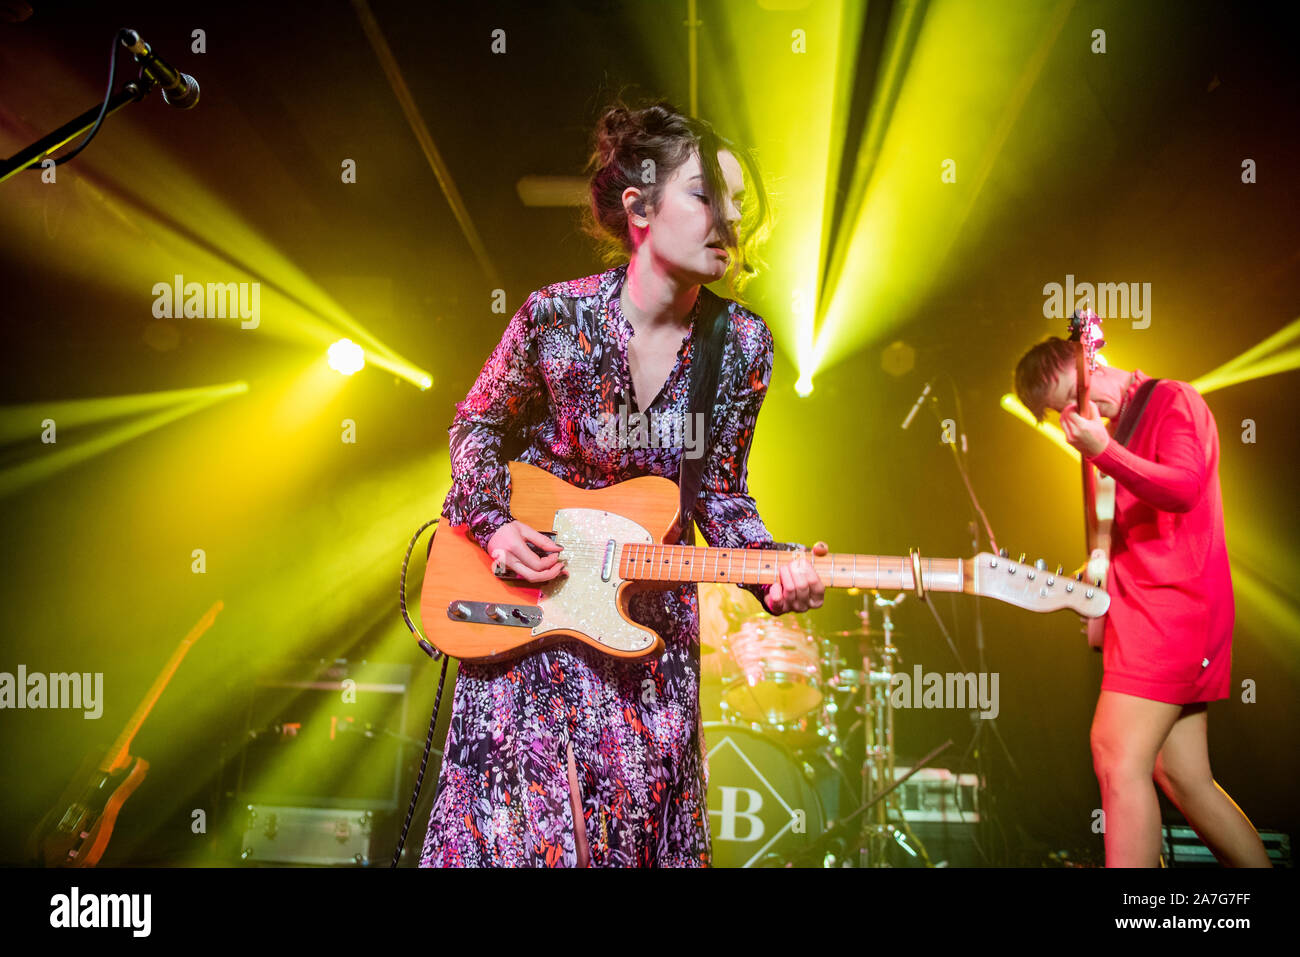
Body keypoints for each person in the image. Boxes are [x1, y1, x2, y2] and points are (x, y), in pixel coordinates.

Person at [420, 101, 826, 867]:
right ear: (638, 206)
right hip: (529, 624)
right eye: (708, 196)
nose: (731, 219)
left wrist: (774, 569)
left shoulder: (740, 344)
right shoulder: (555, 316)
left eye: (740, 203)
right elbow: (475, 426)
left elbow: (722, 495)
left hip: (647, 639)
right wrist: (493, 522)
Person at [1014, 339, 1270, 868]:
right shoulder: (1103, 435)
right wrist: (1091, 580)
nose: (1073, 415)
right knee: (1184, 777)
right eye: (1059, 410)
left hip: (1176, 613)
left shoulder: (1172, 400)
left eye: (1072, 396)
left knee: (1113, 752)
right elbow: (1120, 533)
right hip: (1142, 618)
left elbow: (1184, 488)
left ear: (1092, 364)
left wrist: (1101, 450)